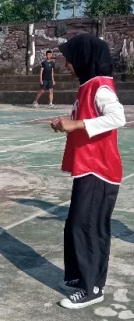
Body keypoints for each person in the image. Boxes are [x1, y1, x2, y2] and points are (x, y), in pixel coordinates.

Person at [50, 33, 125, 309]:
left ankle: (92, 287)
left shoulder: (101, 87)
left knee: (89, 226)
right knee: (75, 223)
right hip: (87, 167)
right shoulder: (87, 86)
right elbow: (86, 119)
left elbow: (118, 117)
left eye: (70, 60)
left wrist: (76, 125)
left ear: (83, 59)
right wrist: (66, 123)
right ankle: (76, 277)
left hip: (100, 169)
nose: (67, 65)